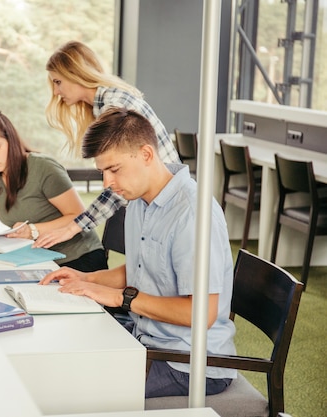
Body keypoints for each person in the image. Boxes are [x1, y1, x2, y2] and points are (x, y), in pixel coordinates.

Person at [39, 108, 236, 398]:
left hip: (190, 363)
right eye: (102, 171)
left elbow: (201, 313)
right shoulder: (140, 201)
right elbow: (141, 268)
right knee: (58, 352)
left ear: (146, 154)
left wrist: (121, 298)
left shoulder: (191, 214)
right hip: (147, 339)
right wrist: (87, 279)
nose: (107, 183)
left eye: (114, 169)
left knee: (73, 387)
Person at [35, 40, 181, 250]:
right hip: (154, 204)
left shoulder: (115, 106)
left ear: (75, 74)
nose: (56, 92)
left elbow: (119, 181)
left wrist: (73, 227)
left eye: (58, 82)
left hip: (167, 206)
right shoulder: (104, 105)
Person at [0, 109, 107, 272]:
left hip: (78, 258)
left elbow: (80, 215)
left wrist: (33, 230)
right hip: (37, 259)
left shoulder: (43, 168)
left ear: (11, 141)